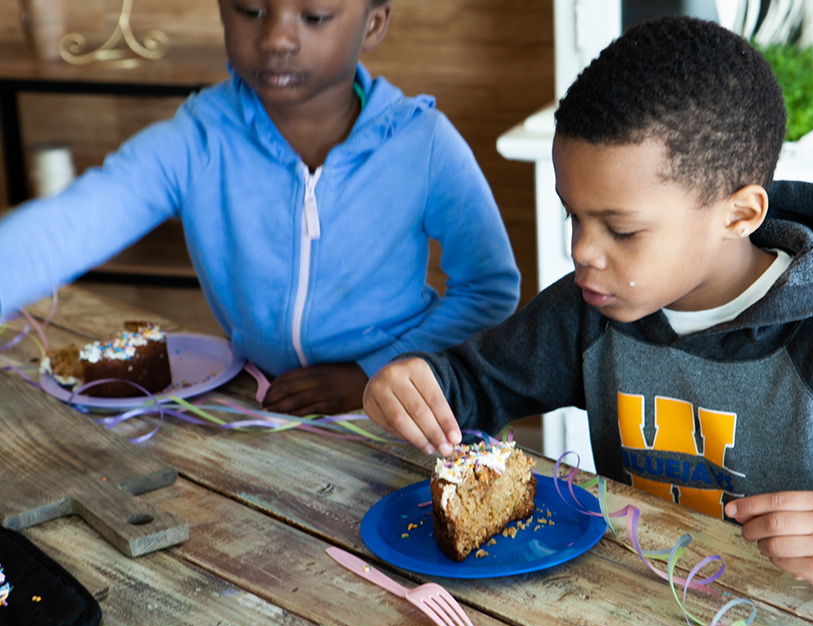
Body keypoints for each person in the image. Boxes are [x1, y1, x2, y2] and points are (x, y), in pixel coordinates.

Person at [363, 16, 813, 591]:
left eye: (622, 231)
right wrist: (414, 385)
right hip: (637, 610)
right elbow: (470, 388)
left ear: (739, 214)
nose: (583, 251)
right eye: (573, 217)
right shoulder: (590, 308)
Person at [0, 0, 521, 416]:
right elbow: (74, 221)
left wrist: (371, 372)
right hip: (264, 409)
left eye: (314, 17)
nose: (275, 38)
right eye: (250, 10)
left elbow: (489, 289)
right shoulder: (199, 138)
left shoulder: (422, 142)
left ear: (374, 23)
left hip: (403, 416)